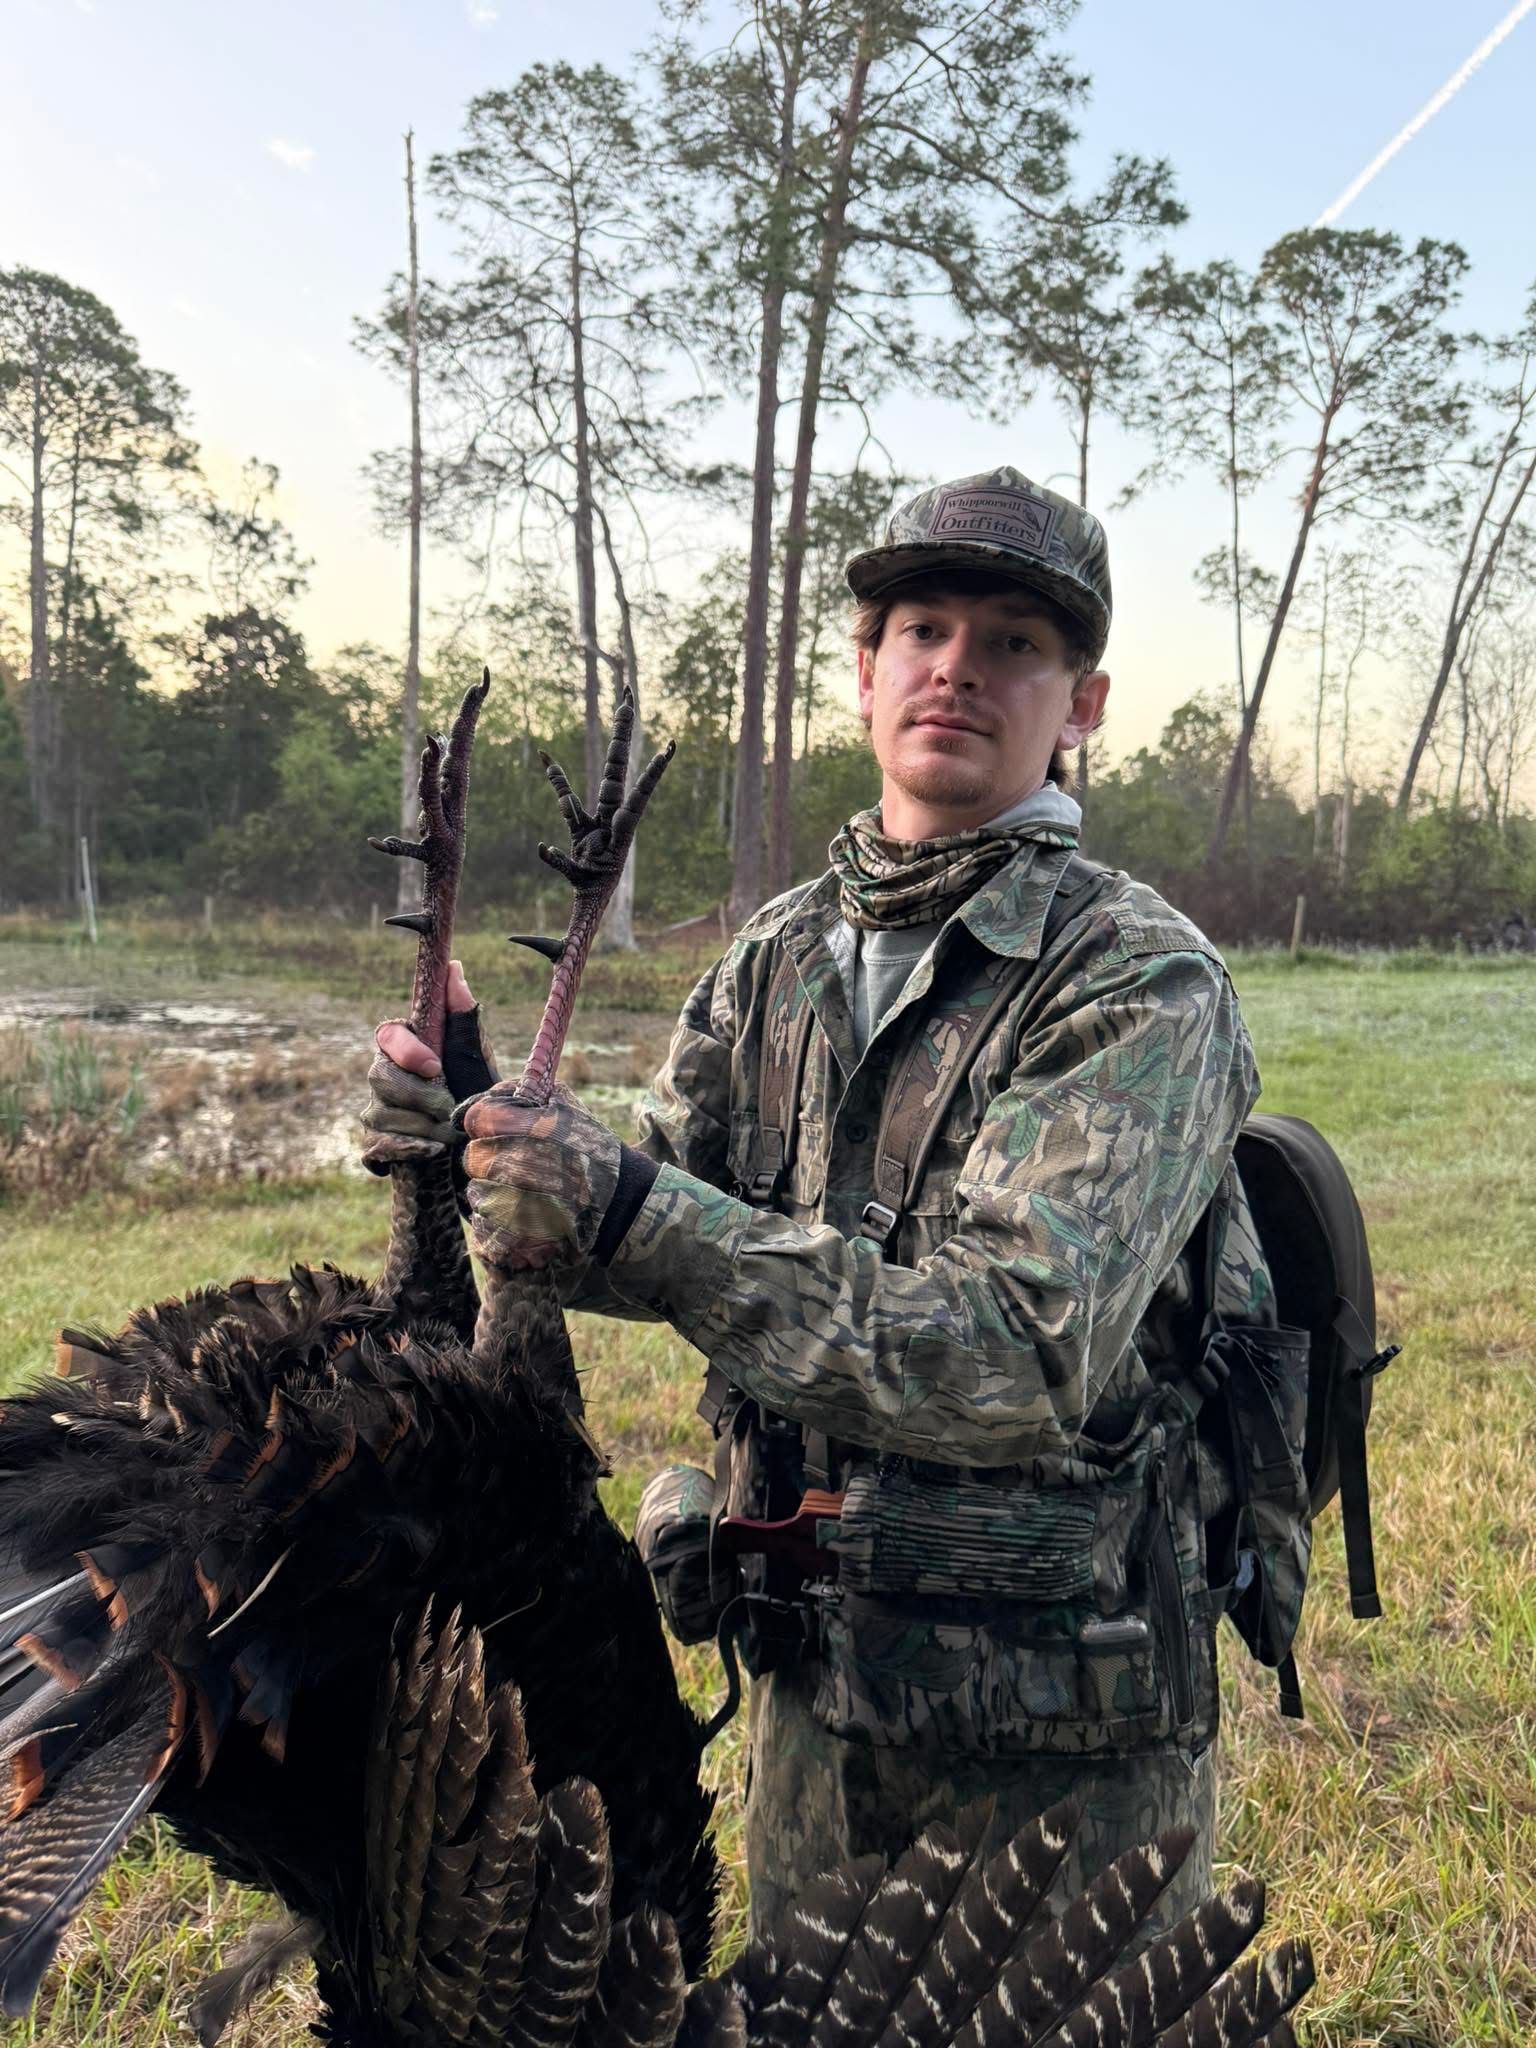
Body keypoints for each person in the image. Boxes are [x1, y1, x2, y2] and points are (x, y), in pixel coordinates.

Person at [366, 465, 1274, 1943]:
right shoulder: (781, 952)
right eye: (922, 628)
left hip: (1056, 1741)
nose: (958, 670)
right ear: (864, 672)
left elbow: (1013, 1354)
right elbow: (636, 1209)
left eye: (1014, 643)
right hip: (808, 1691)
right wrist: (476, 1125)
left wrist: (622, 1205)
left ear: (1083, 703)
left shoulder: (1138, 981)